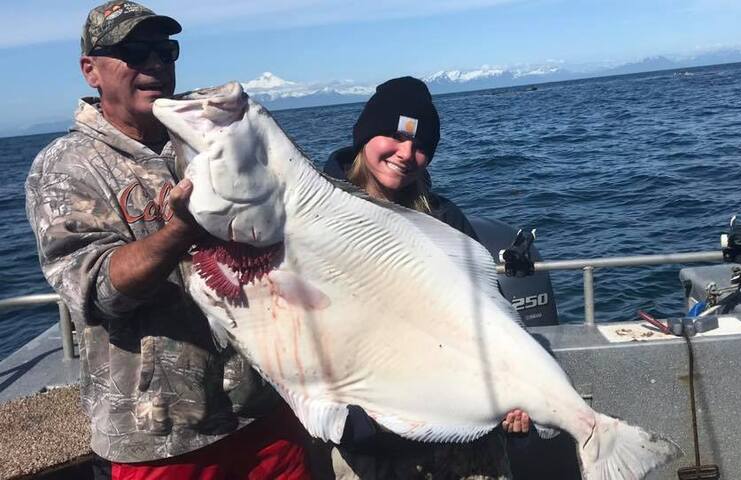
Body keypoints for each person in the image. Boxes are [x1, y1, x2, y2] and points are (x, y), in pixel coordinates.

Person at [25, 2, 311, 478]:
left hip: (265, 408)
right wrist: (182, 231)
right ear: (90, 70)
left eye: (166, 50)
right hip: (162, 440)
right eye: (134, 51)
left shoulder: (211, 134)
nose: (155, 63)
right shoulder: (65, 167)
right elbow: (95, 291)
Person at [320, 76, 531, 479]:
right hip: (374, 443)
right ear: (365, 135)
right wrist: (351, 423)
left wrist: (514, 394)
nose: (406, 153)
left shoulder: (445, 219)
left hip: (463, 437)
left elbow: (492, 316)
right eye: (395, 137)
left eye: (420, 146)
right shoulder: (322, 214)